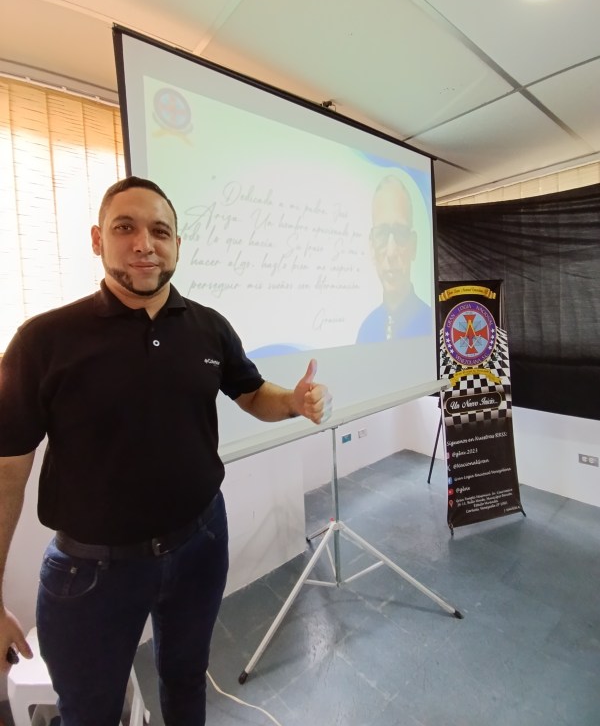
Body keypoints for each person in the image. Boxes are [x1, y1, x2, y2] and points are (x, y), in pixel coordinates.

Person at [0, 176, 332, 726]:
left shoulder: (208, 327)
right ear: (97, 240)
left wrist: (293, 402)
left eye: (159, 231)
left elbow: (251, 393)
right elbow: (8, 471)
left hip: (200, 544)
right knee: (90, 713)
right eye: (124, 228)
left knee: (186, 681)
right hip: (91, 573)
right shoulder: (43, 340)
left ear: (177, 244)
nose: (144, 244)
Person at [356, 175, 431, 343]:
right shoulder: (366, 331)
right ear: (371, 245)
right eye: (382, 234)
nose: (391, 253)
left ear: (413, 245)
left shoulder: (432, 324)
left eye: (401, 233)